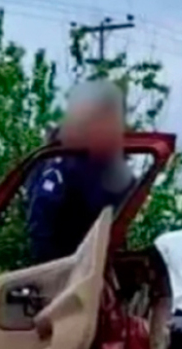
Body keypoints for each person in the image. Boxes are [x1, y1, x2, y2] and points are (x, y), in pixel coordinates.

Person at [26, 80, 136, 265]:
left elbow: (115, 223)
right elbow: (41, 224)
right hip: (64, 266)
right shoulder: (61, 161)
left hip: (99, 264)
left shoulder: (110, 166)